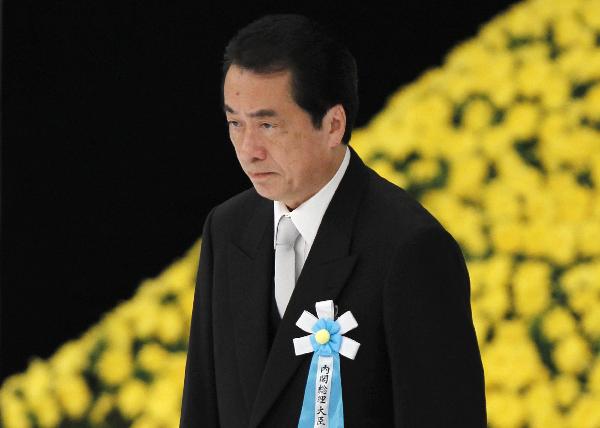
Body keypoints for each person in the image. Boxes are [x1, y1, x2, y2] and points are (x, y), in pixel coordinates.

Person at [180, 14, 486, 428]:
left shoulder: (411, 249)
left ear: (333, 125)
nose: (248, 149)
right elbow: (203, 409)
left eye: (268, 125)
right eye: (236, 123)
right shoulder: (227, 228)